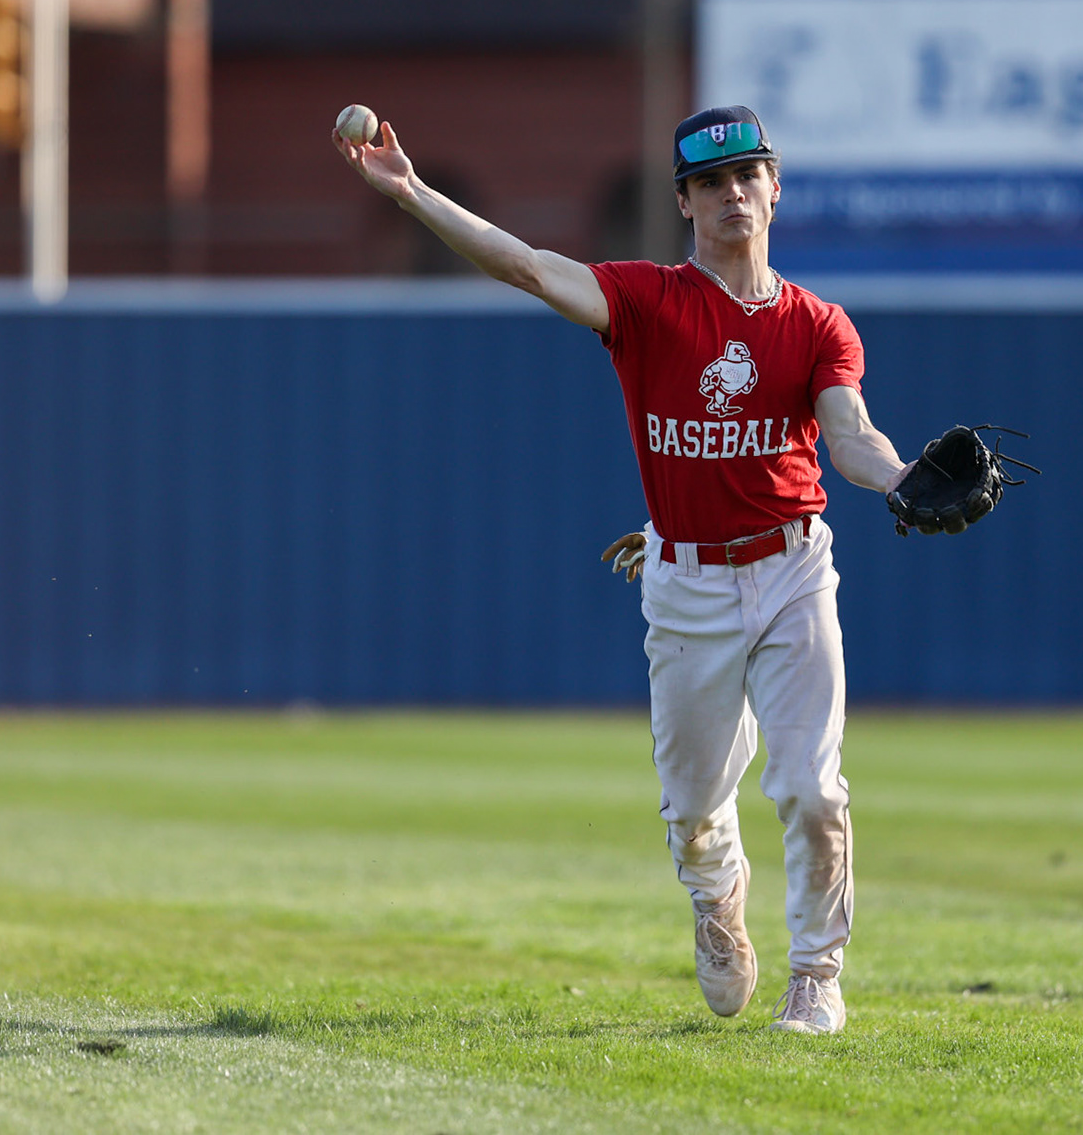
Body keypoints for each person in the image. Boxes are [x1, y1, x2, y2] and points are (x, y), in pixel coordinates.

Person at [335, 105, 909, 1034]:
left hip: (793, 568)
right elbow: (528, 267)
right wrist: (412, 193)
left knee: (812, 786)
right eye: (710, 182)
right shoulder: (648, 301)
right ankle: (717, 894)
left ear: (775, 187)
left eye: (747, 175)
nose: (732, 193)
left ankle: (816, 975)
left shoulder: (816, 324)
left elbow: (850, 434)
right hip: (687, 582)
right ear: (684, 202)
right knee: (694, 810)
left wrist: (900, 476)